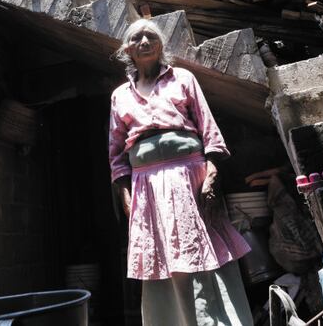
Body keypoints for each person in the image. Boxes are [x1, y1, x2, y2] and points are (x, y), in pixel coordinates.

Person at [109, 18, 254, 325]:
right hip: (145, 187)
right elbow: (117, 154)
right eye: (137, 38)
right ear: (127, 50)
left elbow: (209, 132)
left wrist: (211, 177)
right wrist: (125, 195)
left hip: (190, 178)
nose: (144, 41)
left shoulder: (183, 78)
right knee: (159, 255)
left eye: (151, 36)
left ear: (161, 45)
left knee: (200, 249)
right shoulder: (120, 95)